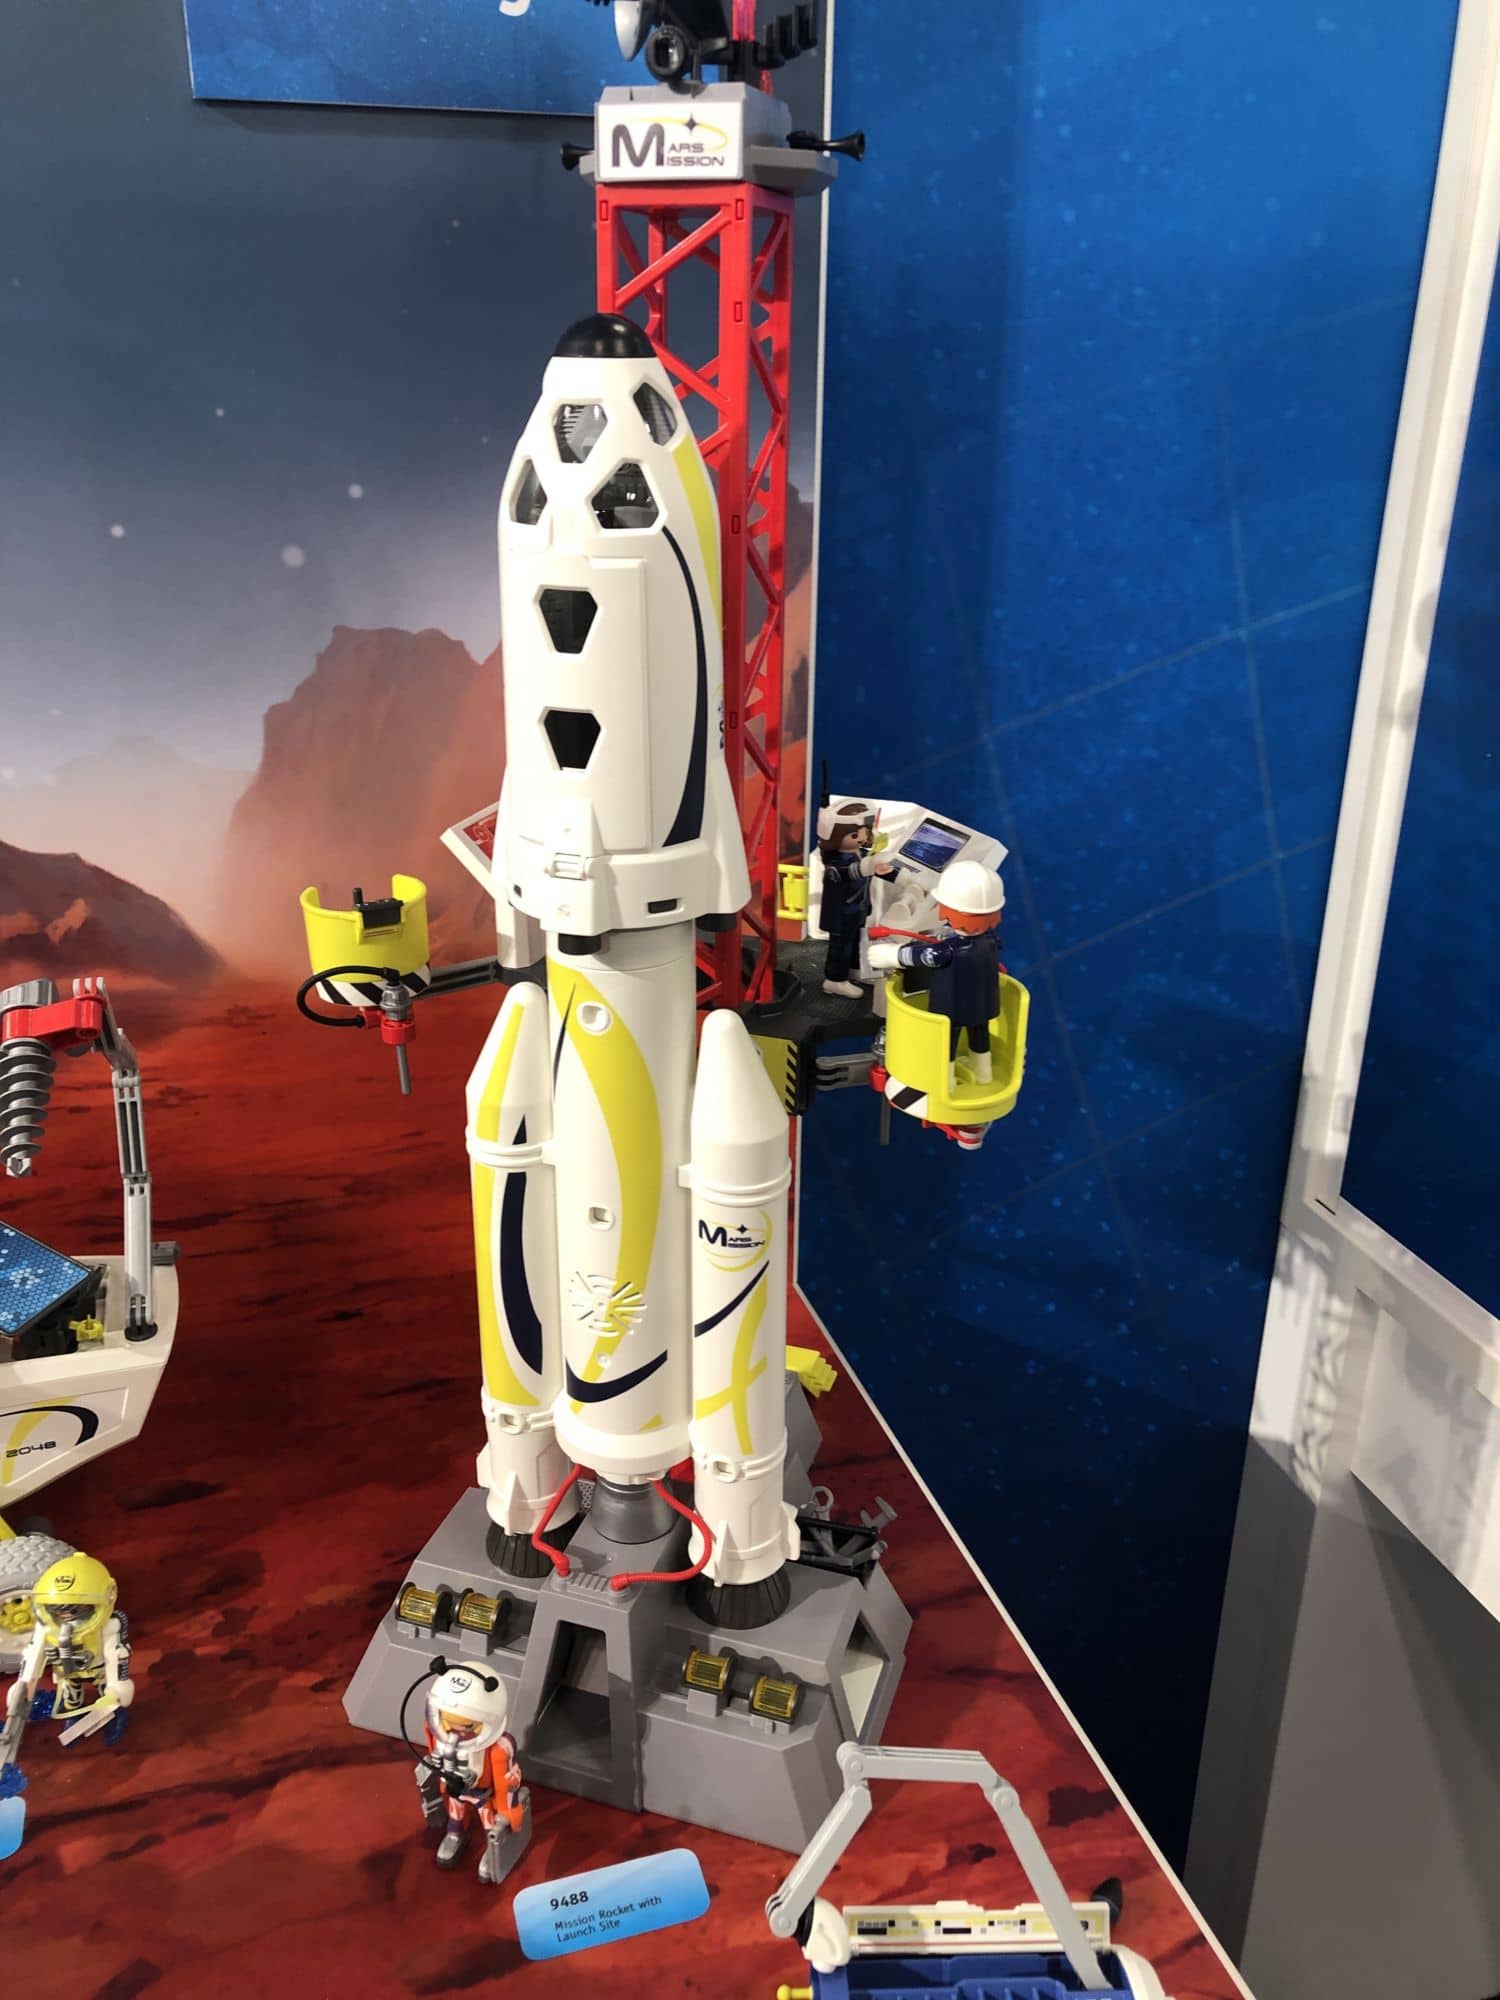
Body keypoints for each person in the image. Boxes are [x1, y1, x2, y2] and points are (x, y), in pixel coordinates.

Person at [869, 859, 1004, 1086]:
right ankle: (983, 1074)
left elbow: (923, 955)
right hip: (985, 1004)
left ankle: (945, 1081)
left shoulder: (948, 950)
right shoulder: (991, 940)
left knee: (946, 1043)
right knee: (979, 1036)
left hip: (952, 1010)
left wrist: (891, 954)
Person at [415, 1664, 531, 1885]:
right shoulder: (436, 1734)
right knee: (455, 1813)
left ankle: (492, 1847)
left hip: (482, 1794)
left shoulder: (498, 1748)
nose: (455, 1732)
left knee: (489, 1822)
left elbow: (506, 1779)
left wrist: (507, 1809)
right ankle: (455, 1833)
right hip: (455, 1789)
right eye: (447, 1722)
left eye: (466, 1726)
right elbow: (434, 1757)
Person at [817, 801, 901, 998]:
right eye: (855, 835)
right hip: (840, 913)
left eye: (864, 833)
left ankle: (853, 969)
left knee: (855, 941)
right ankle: (835, 980)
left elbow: (871, 868)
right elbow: (849, 872)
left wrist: (890, 871)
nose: (862, 838)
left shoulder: (860, 854)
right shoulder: (835, 864)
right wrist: (871, 865)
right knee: (841, 947)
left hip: (858, 908)